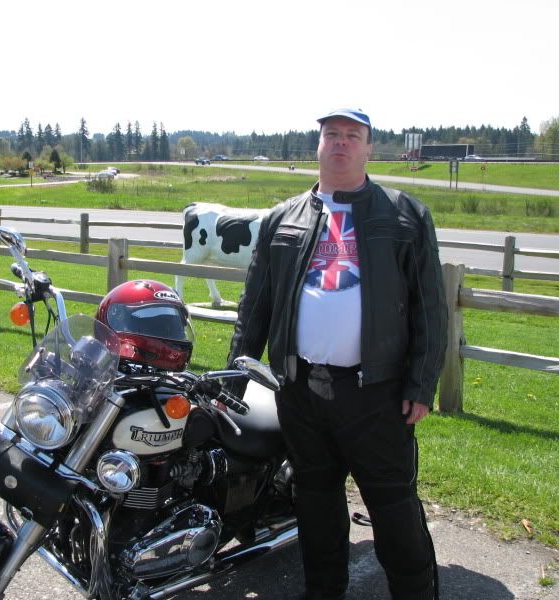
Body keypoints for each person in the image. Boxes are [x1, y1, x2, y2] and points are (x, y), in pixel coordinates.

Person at [226, 108, 447, 599]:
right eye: (332, 134)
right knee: (315, 503)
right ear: (318, 145)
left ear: (369, 148)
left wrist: (421, 384)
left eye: (352, 135)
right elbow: (255, 306)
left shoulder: (405, 216)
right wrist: (233, 378)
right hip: (300, 391)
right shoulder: (282, 219)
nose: (341, 142)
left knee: (393, 508)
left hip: (377, 395)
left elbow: (430, 309)